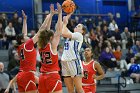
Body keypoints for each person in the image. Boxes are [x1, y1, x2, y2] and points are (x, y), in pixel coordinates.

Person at [4, 9, 51, 93]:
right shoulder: (27, 44)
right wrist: (47, 18)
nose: (27, 36)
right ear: (22, 40)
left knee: (43, 84)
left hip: (21, 75)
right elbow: (40, 31)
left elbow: (23, 34)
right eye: (25, 37)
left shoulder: (20, 46)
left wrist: (25, 20)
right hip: (28, 75)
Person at [38, 3, 63, 93]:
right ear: (51, 38)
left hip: (42, 77)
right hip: (52, 77)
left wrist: (51, 14)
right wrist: (60, 14)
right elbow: (59, 30)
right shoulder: (52, 46)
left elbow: (46, 30)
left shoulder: (40, 45)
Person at [61, 13, 86, 93]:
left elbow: (63, 32)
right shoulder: (71, 35)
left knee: (79, 89)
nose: (77, 26)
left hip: (74, 61)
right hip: (65, 62)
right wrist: (68, 16)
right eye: (77, 25)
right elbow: (62, 28)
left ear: (82, 31)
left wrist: (65, 23)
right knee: (70, 90)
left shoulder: (79, 35)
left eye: (79, 26)